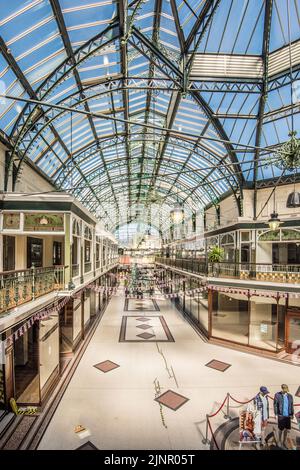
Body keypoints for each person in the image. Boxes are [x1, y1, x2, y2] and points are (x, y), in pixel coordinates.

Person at [274, 384, 294, 448]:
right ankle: (279, 440)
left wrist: (292, 414)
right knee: (280, 429)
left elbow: (291, 405)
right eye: (285, 390)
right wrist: (276, 414)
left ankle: (284, 441)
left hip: (288, 416)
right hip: (281, 415)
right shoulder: (277, 395)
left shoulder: (290, 396)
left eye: (286, 390)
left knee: (286, 429)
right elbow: (275, 405)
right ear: (282, 389)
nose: (286, 391)